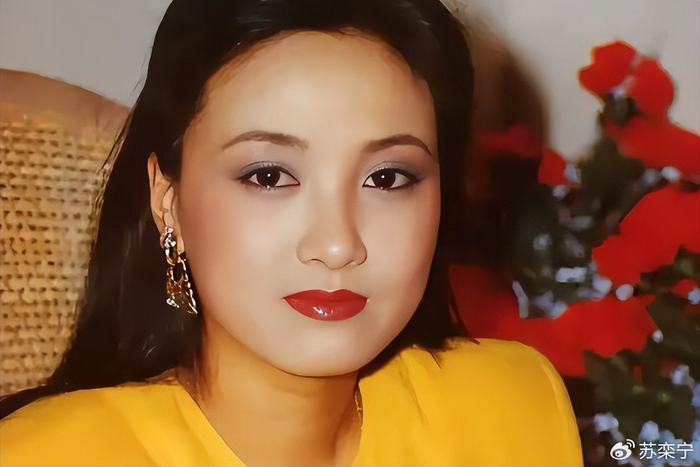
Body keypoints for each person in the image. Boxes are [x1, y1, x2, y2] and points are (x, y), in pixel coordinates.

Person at [0, 0, 584, 465]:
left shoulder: (515, 407)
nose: (337, 245)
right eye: (269, 176)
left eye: (386, 178)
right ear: (167, 200)